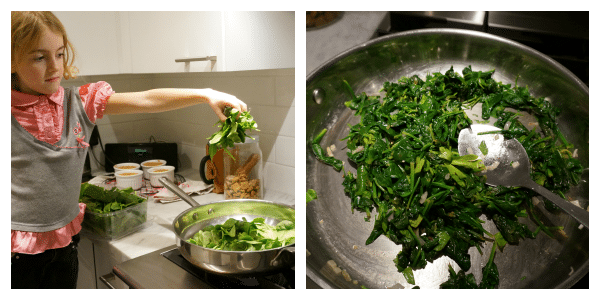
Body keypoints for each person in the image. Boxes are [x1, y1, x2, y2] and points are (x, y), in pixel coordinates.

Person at [11, 11, 247, 289]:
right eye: (39, 57)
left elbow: (147, 99)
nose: (54, 67)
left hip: (65, 246)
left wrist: (205, 93)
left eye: (60, 54)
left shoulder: (79, 102)